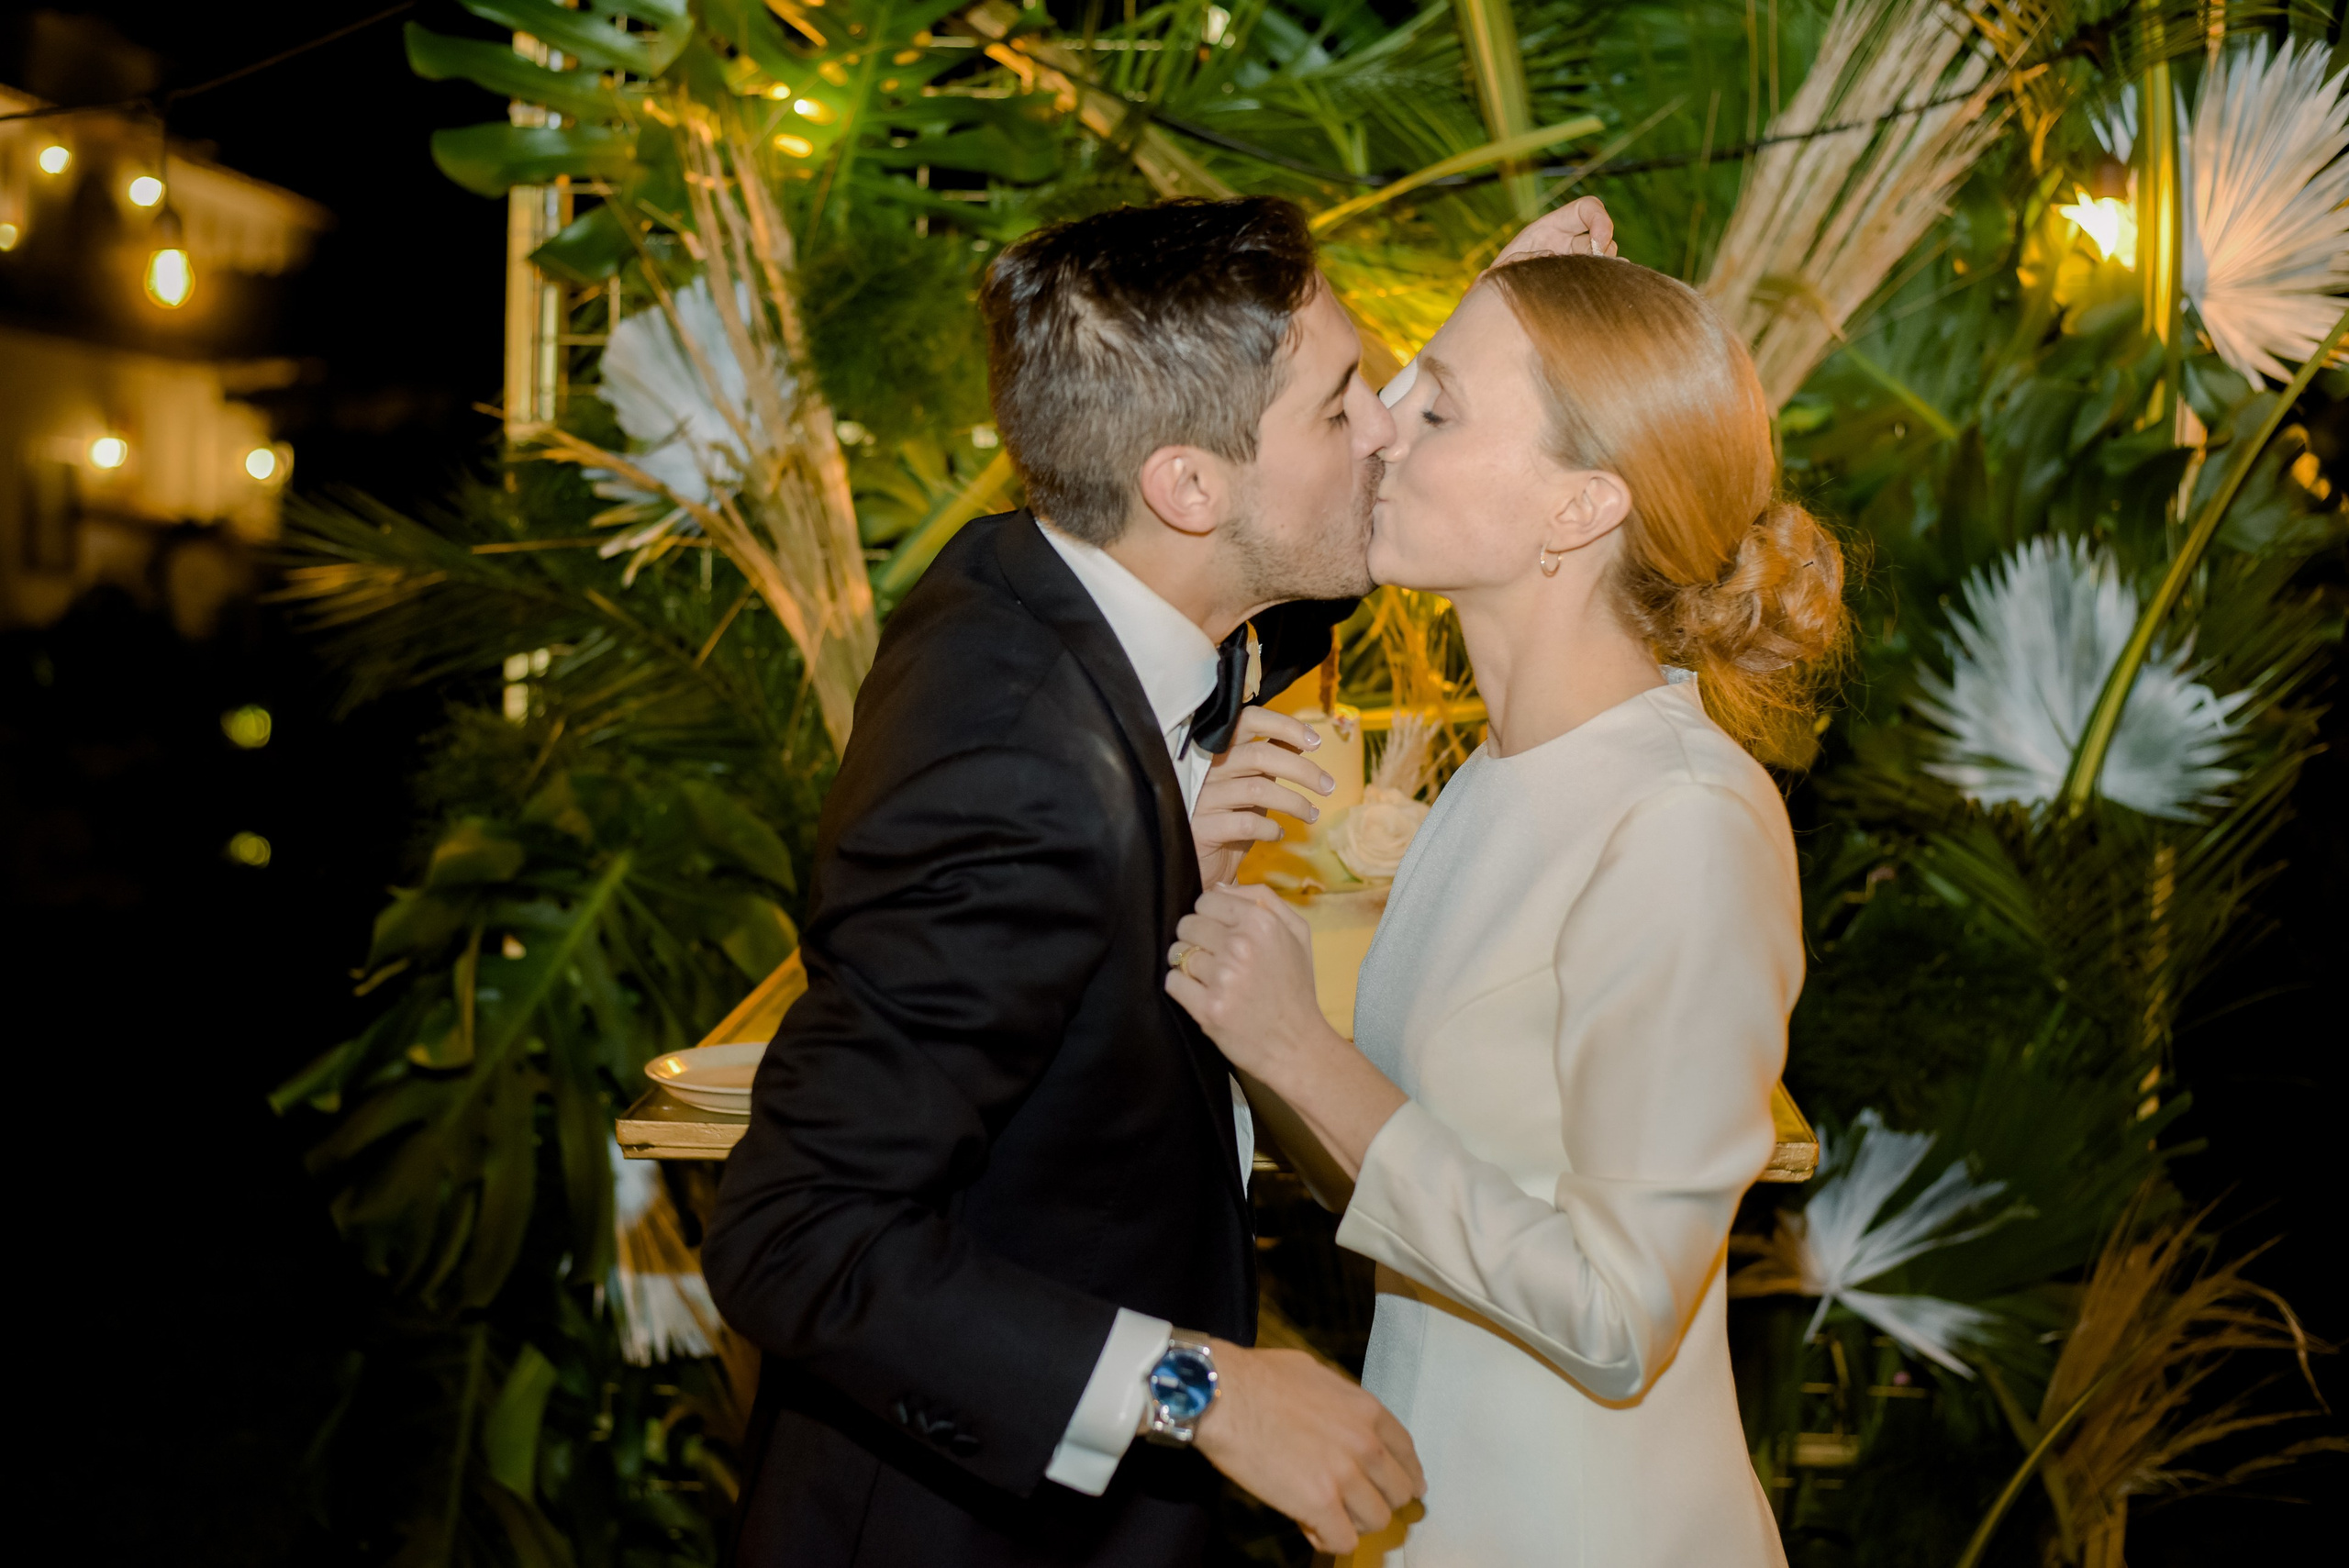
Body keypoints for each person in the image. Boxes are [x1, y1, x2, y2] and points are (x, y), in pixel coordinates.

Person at [699, 195, 1619, 1567]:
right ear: (1187, 487)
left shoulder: (1060, 573)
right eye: (1345, 406)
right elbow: (794, 1233)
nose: (1386, 431)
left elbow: (1296, 558)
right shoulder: (1015, 779)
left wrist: (1478, 347)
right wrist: (1201, 1390)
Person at [1165, 254, 1850, 1565]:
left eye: (1438, 408)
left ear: (1582, 506)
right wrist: (1249, 1010)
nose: (1381, 431)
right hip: (1431, 1513)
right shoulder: (1498, 775)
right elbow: (1392, 1176)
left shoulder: (1684, 823)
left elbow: (1618, 1314)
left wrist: (1304, 1049)